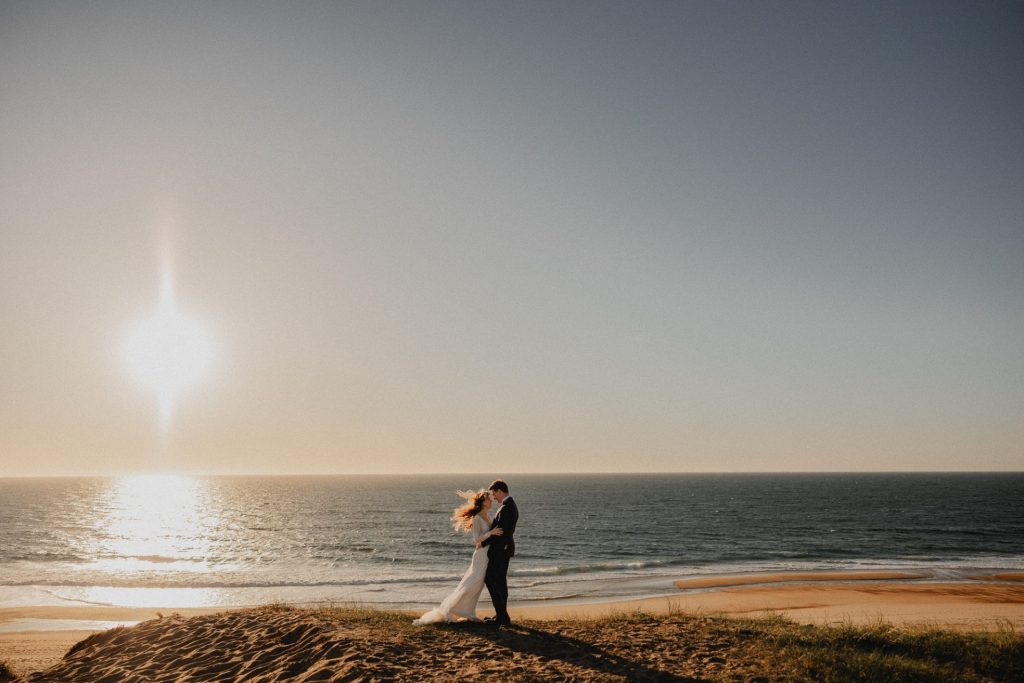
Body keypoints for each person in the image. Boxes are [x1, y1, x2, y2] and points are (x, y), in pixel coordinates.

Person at [412, 489, 503, 625]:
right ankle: (452, 608)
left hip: (487, 554)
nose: (491, 501)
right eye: (488, 499)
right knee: (472, 583)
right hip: (480, 555)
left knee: (477, 585)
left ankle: (468, 612)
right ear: (483, 502)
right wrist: (491, 533)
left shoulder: (489, 517)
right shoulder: (477, 518)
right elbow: (476, 539)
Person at [480, 479, 518, 627]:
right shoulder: (508, 505)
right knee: (500, 582)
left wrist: (482, 542)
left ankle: (502, 617)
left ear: (500, 491)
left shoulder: (507, 507)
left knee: (490, 579)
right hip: (504, 549)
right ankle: (502, 615)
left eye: (494, 494)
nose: (493, 497)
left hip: (501, 550)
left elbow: (500, 532)